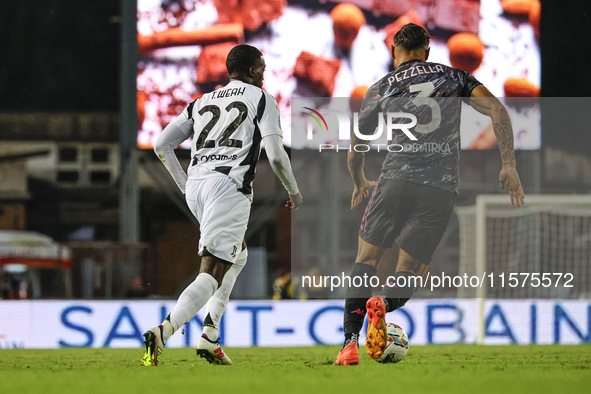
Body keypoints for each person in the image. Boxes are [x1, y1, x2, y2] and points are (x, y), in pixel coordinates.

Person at [334, 23, 525, 365]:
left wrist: (360, 180)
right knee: (410, 269)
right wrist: (508, 165)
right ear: (428, 50)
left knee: (365, 261)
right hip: (439, 187)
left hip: (394, 180)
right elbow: (498, 110)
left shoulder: (379, 87)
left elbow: (354, 152)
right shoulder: (455, 76)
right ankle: (385, 304)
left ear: (395, 51)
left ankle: (350, 344)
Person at [141, 44, 303, 366]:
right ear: (252, 70)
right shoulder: (261, 99)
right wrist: (293, 191)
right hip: (228, 187)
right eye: (262, 68)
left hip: (197, 186)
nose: (264, 74)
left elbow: (162, 145)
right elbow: (275, 155)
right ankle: (164, 330)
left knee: (238, 253)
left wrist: (186, 185)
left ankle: (210, 335)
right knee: (212, 270)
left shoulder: (200, 102)